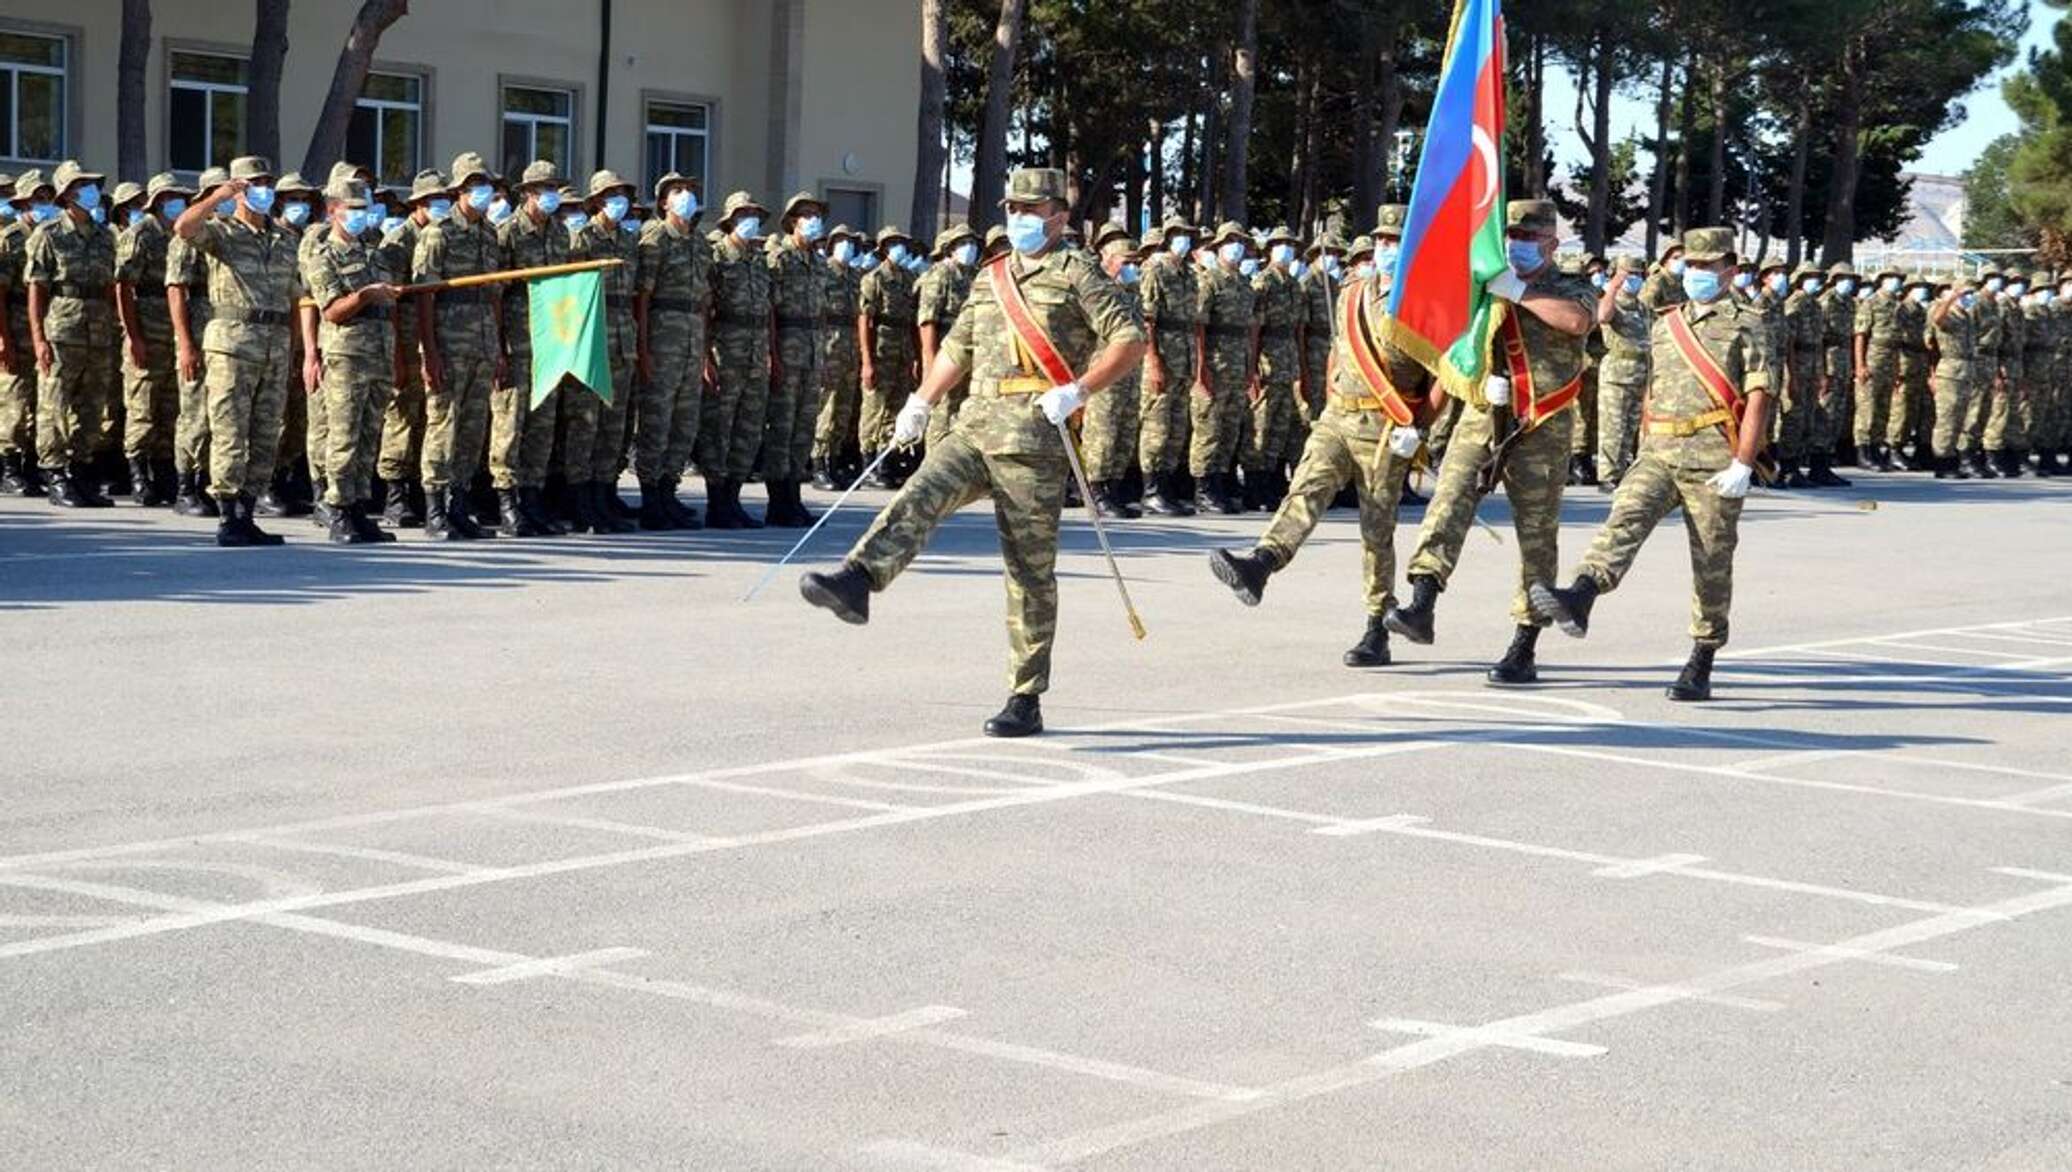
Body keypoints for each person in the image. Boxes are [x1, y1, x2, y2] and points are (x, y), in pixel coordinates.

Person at [797, 168, 1147, 738]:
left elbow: (1130, 339)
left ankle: (1025, 694)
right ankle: (859, 579)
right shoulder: (992, 277)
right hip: (976, 425)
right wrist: (919, 402)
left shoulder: (1077, 273)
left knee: (1028, 573)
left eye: (1033, 210)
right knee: (921, 493)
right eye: (1014, 208)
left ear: (1059, 214)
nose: (1021, 219)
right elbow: (957, 348)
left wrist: (1079, 390)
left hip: (1036, 437)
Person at [1528, 227, 1772, 702]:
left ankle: (1702, 655)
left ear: (1730, 270)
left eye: (1707, 266)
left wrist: (1744, 461)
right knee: (1624, 519)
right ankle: (1581, 595)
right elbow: (1651, 387)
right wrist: (1643, 440)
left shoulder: (1749, 323)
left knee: (1711, 561)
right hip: (1659, 449)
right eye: (1692, 265)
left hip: (1713, 456)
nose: (1697, 273)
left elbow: (1761, 393)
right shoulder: (1667, 322)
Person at [1207, 210, 1438, 668]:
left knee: (1377, 529)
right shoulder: (1352, 293)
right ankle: (1262, 563)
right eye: (1382, 240)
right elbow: (1339, 348)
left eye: (1397, 240)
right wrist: (1332, 388)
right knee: (1306, 488)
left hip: (1387, 426)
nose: (1387, 248)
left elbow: (1444, 375)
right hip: (1339, 417)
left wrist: (1419, 425)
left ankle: (1377, 625)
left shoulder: (1424, 302)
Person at [1384, 199, 1595, 685]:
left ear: (1550, 244)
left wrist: (1518, 291)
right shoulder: (1484, 287)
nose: (1518, 245)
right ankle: (1421, 602)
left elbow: (1578, 321)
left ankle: (1524, 643)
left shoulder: (1569, 286)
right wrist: (1423, 419)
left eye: (1528, 238)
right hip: (1484, 413)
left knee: (1536, 537)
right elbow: (1454, 351)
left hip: (1541, 424)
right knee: (1448, 499)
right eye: (1512, 236)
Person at [170, 156, 300, 545]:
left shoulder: (284, 238)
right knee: (230, 430)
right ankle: (228, 516)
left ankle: (247, 509)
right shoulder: (222, 232)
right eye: (254, 182)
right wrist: (218, 197)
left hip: (274, 344)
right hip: (232, 344)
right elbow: (183, 226)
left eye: (266, 181)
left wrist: (293, 347)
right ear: (239, 188)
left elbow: (294, 298)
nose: (264, 188)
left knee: (265, 433)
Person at [302, 178, 401, 543]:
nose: (360, 215)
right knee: (342, 436)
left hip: (378, 353)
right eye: (353, 209)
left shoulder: (374, 254)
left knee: (369, 434)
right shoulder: (323, 257)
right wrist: (364, 295)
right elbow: (331, 311)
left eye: (364, 208)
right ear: (333, 211)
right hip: (346, 355)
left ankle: (360, 507)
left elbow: (390, 307)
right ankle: (339, 510)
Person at [414, 151, 505, 540]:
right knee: (443, 424)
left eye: (485, 185)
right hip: (449, 343)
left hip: (482, 342)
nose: (482, 192)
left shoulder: (488, 234)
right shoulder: (439, 232)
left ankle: (459, 505)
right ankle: (435, 509)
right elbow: (423, 295)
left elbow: (495, 295)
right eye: (474, 186)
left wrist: (499, 348)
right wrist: (429, 352)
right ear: (459, 191)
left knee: (471, 429)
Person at [24, 159, 119, 508]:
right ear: (68, 194)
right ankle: (55, 472)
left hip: (98, 331)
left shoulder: (104, 236)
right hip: (63, 330)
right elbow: (36, 290)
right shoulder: (49, 235)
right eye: (83, 185)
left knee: (93, 404)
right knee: (55, 403)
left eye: (93, 184)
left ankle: (80, 469)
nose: (92, 190)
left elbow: (110, 287)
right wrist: (38, 339)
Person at [494, 159, 578, 536]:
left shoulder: (560, 234)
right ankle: (507, 502)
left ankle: (533, 498)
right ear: (526, 193)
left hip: (550, 340)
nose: (550, 196)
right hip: (516, 337)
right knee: (511, 423)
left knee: (542, 425)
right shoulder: (508, 232)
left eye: (553, 189)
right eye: (543, 189)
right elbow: (494, 294)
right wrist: (498, 345)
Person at [633, 171, 712, 529]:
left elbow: (704, 302)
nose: (685, 196)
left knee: (684, 423)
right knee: (657, 420)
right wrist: (644, 348)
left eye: (690, 190)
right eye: (677, 191)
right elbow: (644, 298)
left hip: (692, 340)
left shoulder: (699, 243)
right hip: (663, 340)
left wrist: (705, 351)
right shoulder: (655, 236)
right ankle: (650, 497)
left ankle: (668, 490)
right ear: (663, 201)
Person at [694, 191, 775, 527]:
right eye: (743, 215)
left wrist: (770, 352)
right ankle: (717, 504)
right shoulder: (717, 258)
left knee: (749, 428)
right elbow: (703, 311)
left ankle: (733, 499)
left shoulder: (758, 259)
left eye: (753, 214)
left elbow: (768, 309)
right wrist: (704, 359)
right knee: (719, 429)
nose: (750, 220)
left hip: (755, 353)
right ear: (730, 221)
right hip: (725, 351)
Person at [567, 170, 640, 534]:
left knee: (613, 428)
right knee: (586, 425)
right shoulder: (582, 237)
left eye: (622, 194)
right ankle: (581, 504)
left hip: (623, 341)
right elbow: (570, 295)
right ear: (595, 201)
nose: (618, 201)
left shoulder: (628, 242)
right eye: (611, 195)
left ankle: (603, 497)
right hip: (591, 342)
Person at [112, 172, 191, 507]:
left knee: (170, 406)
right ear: (158, 201)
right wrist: (133, 336)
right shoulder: (141, 232)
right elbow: (123, 286)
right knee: (143, 405)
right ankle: (138, 473)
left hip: (175, 329)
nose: (178, 203)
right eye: (172, 197)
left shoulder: (180, 233)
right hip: (147, 325)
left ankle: (164, 472)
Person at [373, 169, 445, 529]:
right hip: (403, 336)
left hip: (433, 334)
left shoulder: (443, 234)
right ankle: (395, 494)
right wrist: (398, 355)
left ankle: (418, 488)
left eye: (443, 199)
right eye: (433, 201)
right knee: (401, 414)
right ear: (417, 204)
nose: (440, 206)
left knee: (426, 417)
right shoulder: (398, 241)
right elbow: (390, 302)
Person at [762, 191, 830, 527]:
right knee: (782, 425)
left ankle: (794, 497)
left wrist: (825, 356)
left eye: (816, 214)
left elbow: (822, 314)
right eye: (806, 214)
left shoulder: (819, 262)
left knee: (804, 428)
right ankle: (778, 502)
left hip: (813, 349)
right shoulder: (779, 258)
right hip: (787, 346)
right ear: (791, 221)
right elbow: (770, 311)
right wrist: (772, 353)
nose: (813, 219)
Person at [1192, 221, 1259, 514]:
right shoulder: (1210, 281)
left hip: (1237, 363)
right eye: (1230, 241)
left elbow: (1248, 329)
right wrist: (1200, 369)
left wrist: (1249, 367)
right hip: (1215, 363)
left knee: (1230, 428)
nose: (1236, 246)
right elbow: (1198, 328)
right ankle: (1203, 488)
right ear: (1218, 247)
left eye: (1240, 241)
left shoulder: (1244, 284)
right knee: (1209, 427)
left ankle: (1220, 482)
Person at [1136, 215, 1200, 517]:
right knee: (1157, 428)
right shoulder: (1154, 269)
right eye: (1179, 234)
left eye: (1188, 235)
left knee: (1176, 429)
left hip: (1183, 360)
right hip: (1163, 357)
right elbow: (1147, 320)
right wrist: (1153, 360)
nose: (1184, 240)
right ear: (1168, 237)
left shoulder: (1187, 273)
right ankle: (1151, 490)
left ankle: (1167, 487)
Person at [1082, 223, 1144, 518]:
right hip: (1104, 366)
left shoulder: (1132, 291)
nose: (1132, 267)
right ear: (1107, 260)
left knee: (1125, 428)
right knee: (1102, 430)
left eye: (1135, 262)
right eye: (1126, 262)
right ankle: (1095, 490)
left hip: (1131, 370)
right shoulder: (1097, 290)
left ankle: (1114, 488)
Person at [1244, 225, 1307, 511]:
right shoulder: (1263, 282)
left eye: (1290, 244)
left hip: (1288, 361)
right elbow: (1255, 328)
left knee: (1281, 425)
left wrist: (1301, 366)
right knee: (1261, 425)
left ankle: (1271, 482)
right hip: (1268, 359)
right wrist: (1253, 367)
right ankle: (1254, 486)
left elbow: (1298, 330)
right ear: (1269, 250)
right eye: (1280, 244)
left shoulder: (1294, 285)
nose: (1286, 249)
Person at [857, 225, 920, 489]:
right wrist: (867, 361)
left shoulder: (908, 278)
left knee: (897, 408)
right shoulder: (874, 278)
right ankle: (868, 462)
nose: (898, 248)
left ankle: (887, 460)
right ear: (882, 249)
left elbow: (914, 320)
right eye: (892, 243)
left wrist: (917, 357)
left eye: (901, 243)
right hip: (882, 348)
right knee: (875, 407)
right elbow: (865, 320)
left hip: (903, 349)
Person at [0, 171, 50, 497]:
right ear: (23, 203)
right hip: (15, 322)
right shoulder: (12, 238)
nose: (43, 204)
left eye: (46, 197)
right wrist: (3, 339)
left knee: (39, 399)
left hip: (45, 322)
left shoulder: (51, 234)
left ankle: (32, 464)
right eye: (36, 199)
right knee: (15, 398)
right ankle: (9, 467)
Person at [811, 224, 865, 489]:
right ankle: (819, 463)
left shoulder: (855, 277)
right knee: (827, 407)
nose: (847, 245)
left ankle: (835, 461)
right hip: (830, 345)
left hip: (850, 347)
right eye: (841, 240)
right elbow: (818, 314)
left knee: (843, 410)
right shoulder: (824, 272)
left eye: (850, 241)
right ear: (831, 245)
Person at [917, 223, 979, 450]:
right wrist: (930, 361)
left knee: (963, 413)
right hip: (946, 352)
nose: (969, 248)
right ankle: (933, 461)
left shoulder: (974, 274)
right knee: (942, 412)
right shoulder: (940, 274)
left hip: (970, 355)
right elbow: (927, 321)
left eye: (972, 243)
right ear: (950, 250)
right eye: (963, 244)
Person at [1594, 255, 1651, 490]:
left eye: (1638, 274)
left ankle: (1623, 469)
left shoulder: (1642, 307)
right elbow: (1603, 317)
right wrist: (1613, 287)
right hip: (1617, 373)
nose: (1634, 278)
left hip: (1640, 372)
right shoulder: (1610, 301)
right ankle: (1607, 475)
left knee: (1630, 426)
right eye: (1629, 274)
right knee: (1613, 426)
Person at [1852, 265, 1906, 472]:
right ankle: (1863, 452)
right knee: (1867, 407)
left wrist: (1898, 367)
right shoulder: (1871, 302)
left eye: (1898, 277)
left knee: (1883, 408)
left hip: (1891, 360)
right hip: (1873, 358)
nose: (1896, 281)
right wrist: (1860, 365)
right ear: (1882, 280)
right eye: (1891, 277)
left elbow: (1898, 339)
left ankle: (1876, 449)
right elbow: (1860, 335)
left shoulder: (1897, 305)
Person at [1927, 273, 1979, 480]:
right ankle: (1942, 462)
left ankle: (1952, 459)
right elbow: (1937, 320)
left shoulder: (1966, 316)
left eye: (1971, 293)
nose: (1970, 297)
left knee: (1959, 419)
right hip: (1950, 370)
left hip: (1966, 369)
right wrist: (1949, 299)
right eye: (1966, 293)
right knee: (1946, 418)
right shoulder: (1947, 313)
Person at [1815, 261, 1856, 481]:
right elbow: (1819, 339)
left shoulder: (1848, 303)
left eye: (1849, 279)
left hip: (1842, 363)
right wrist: (1821, 373)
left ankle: (1827, 461)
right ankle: (1818, 464)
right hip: (1829, 363)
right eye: (1842, 279)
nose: (1847, 283)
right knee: (1825, 413)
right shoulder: (1826, 303)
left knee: (1837, 415)